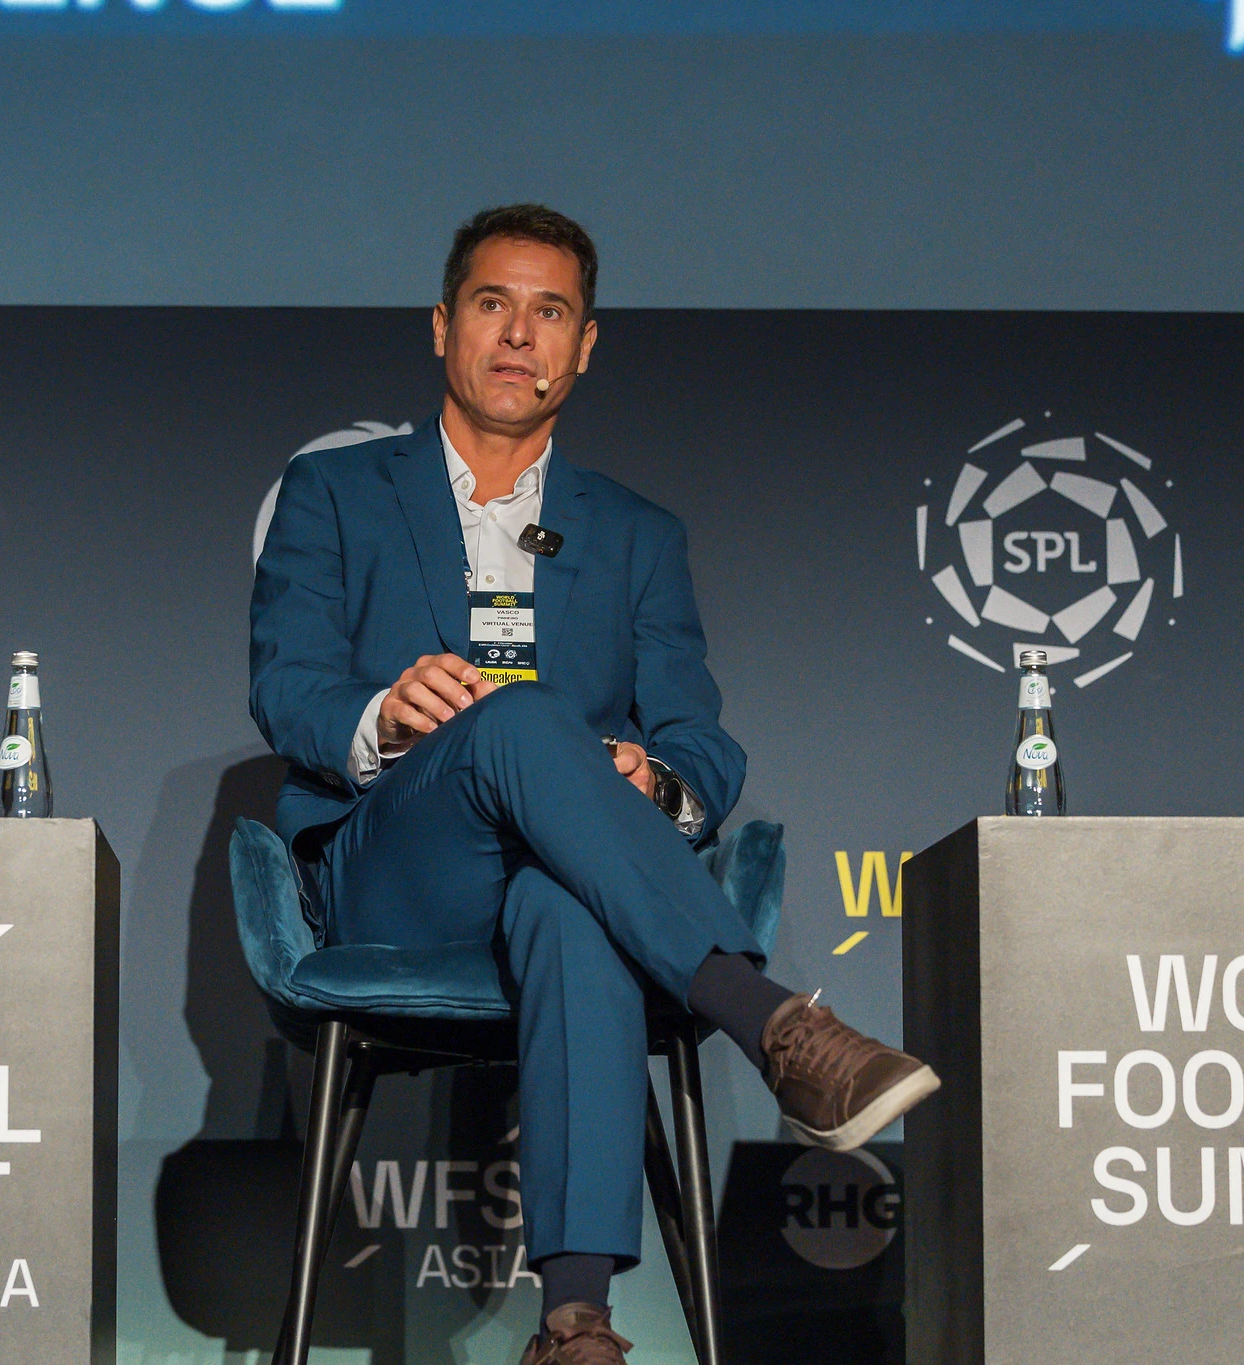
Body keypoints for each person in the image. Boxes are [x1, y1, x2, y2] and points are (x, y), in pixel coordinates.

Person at [249, 203, 938, 1365]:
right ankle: (766, 1020)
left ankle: (574, 1325)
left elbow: (697, 740)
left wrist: (651, 780)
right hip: (400, 859)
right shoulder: (336, 492)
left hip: (568, 867)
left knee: (571, 904)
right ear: (440, 327)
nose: (518, 335)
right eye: (491, 304)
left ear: (583, 346)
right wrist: (381, 710)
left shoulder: (633, 533)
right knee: (517, 715)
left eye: (549, 311)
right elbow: (287, 683)